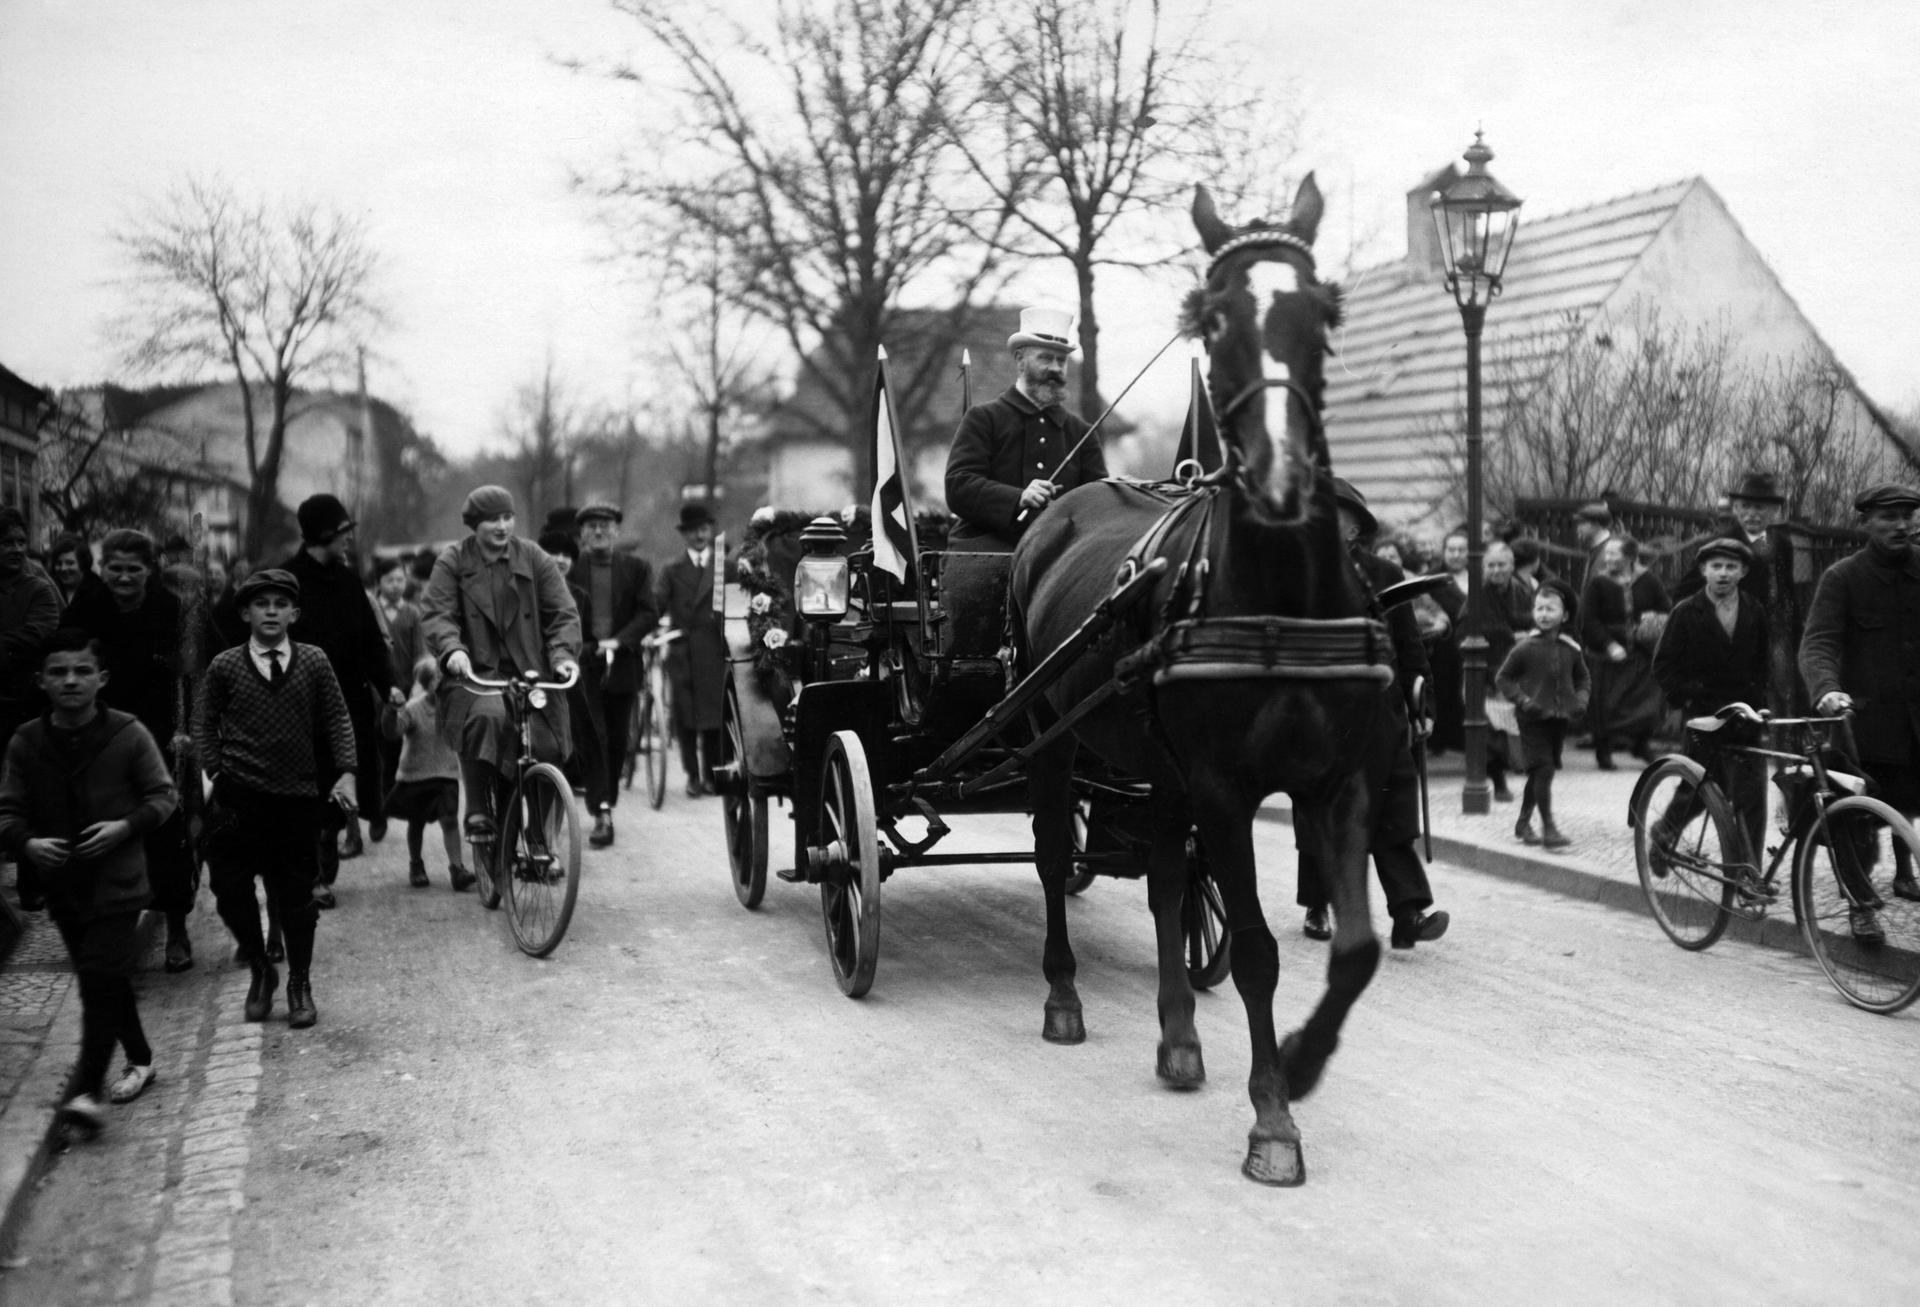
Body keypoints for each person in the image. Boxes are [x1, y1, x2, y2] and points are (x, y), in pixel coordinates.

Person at [0, 630, 178, 1137]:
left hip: (119, 883)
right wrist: (27, 844)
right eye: (58, 672)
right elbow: (7, 810)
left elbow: (163, 797)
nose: (71, 681)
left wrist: (124, 827)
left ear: (102, 678)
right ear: (41, 681)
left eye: (82, 670)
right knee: (103, 980)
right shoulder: (26, 741)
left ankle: (86, 1091)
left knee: (99, 979)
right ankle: (141, 1057)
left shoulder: (128, 734)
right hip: (63, 886)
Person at [195, 569, 357, 1028]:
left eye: (280, 604)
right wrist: (214, 768)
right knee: (228, 889)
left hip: (296, 797)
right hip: (237, 799)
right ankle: (262, 969)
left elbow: (337, 717)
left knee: (297, 896)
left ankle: (299, 982)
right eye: (261, 603)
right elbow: (205, 721)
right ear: (245, 613)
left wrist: (346, 773)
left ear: (294, 614)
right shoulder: (225, 665)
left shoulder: (314, 661)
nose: (271, 611)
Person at [1295, 478, 1450, 950]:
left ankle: (1409, 914)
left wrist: (1422, 703)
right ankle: (1319, 904)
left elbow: (1410, 647)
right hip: (1321, 715)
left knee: (1391, 811)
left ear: (1353, 529)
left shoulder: (1385, 575)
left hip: (1381, 713)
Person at [60, 529, 200, 973]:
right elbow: (65, 666)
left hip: (159, 734)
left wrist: (187, 729)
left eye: (133, 569)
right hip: (98, 733)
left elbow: (190, 673)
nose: (123, 577)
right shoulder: (86, 609)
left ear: (150, 569)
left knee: (166, 830)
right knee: (99, 829)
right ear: (101, 569)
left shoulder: (170, 609)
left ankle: (175, 928)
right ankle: (105, 930)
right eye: (114, 568)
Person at [419, 485, 581, 842]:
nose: (502, 526)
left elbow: (563, 612)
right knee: (488, 718)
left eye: (508, 517)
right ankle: (477, 809)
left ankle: (540, 837)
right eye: (493, 519)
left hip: (530, 674)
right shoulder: (454, 561)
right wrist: (452, 650)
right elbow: (436, 613)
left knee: (549, 744)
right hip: (475, 676)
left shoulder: (534, 557)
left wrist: (563, 655)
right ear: (475, 524)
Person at [1797, 482, 1920, 937]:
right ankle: (1860, 905)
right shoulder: (1843, 578)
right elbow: (1818, 644)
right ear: (1865, 522)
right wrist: (1827, 689)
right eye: (1889, 517)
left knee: (1906, 805)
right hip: (1863, 726)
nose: (1902, 524)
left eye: (1909, 515)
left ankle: (1905, 874)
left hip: (1916, 726)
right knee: (1855, 819)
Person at [281, 494, 400, 898]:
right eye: (344, 532)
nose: (350, 539)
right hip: (298, 708)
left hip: (348, 705)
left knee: (343, 781)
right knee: (306, 785)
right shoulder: (285, 582)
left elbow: (370, 644)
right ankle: (314, 870)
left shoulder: (350, 584)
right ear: (324, 533)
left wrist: (389, 686)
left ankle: (327, 838)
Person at [945, 305, 1108, 551]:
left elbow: (1098, 502)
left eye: (1061, 360)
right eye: (1045, 357)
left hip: (1061, 554)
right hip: (986, 549)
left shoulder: (1081, 433)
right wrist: (1017, 497)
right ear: (1020, 360)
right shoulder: (983, 419)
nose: (1055, 367)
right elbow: (959, 486)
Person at [1650, 538, 1770, 860]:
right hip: (1704, 718)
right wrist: (1688, 695)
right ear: (1703, 570)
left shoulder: (1754, 610)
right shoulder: (1687, 612)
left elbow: (1763, 662)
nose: (1723, 574)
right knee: (1699, 791)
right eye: (1716, 566)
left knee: (1751, 796)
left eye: (1731, 567)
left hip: (1745, 717)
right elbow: (1663, 664)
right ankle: (1664, 832)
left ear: (1743, 571)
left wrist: (1761, 699)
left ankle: (1749, 872)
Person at [572, 502, 658, 845]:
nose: (598, 531)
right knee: (594, 736)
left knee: (619, 739)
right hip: (584, 665)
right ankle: (601, 809)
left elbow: (648, 612)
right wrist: (588, 645)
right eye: (591, 525)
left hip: (622, 664)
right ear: (581, 533)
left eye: (605, 525)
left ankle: (607, 799)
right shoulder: (570, 570)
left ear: (616, 531)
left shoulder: (636, 568)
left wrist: (619, 642)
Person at [1496, 579, 1590, 850]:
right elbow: (1504, 678)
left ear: (1565, 615)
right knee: (1544, 769)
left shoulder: (1571, 649)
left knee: (1540, 772)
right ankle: (1548, 828)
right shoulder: (1525, 647)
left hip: (1558, 720)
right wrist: (1524, 701)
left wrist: (1580, 700)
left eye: (1550, 609)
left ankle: (1523, 823)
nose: (1543, 614)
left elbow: (1583, 678)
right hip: (1532, 719)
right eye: (1538, 608)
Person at [382, 656, 472, 891]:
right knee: (417, 821)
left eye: (445, 680)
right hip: (417, 775)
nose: (441, 685)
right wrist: (391, 711)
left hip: (446, 773)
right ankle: (416, 863)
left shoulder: (454, 707)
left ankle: (457, 868)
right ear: (426, 683)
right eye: (436, 680)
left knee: (450, 819)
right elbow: (393, 732)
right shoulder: (413, 707)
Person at [657, 502, 727, 797]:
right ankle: (692, 776)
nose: (699, 536)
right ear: (684, 535)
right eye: (692, 531)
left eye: (703, 529)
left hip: (714, 650)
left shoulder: (725, 566)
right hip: (683, 651)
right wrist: (649, 632)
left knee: (714, 717)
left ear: (710, 530)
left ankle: (713, 773)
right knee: (686, 719)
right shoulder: (672, 570)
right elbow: (656, 605)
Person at [1582, 535, 1667, 768]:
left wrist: (1653, 620)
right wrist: (1609, 644)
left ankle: (1640, 744)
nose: (1607, 558)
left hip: (1639, 652)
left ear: (1629, 557)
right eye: (1606, 554)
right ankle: (1603, 750)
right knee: (1606, 705)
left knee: (1645, 702)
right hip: (1606, 654)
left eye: (1613, 554)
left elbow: (1664, 608)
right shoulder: (1598, 583)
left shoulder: (1648, 580)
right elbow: (1588, 620)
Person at [1469, 540, 1533, 802]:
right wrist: (1512, 635)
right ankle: (1498, 782)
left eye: (1501, 565)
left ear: (1512, 565)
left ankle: (1518, 768)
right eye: (1491, 565)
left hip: (1515, 667)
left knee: (1513, 724)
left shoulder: (1521, 590)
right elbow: (1474, 629)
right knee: (1491, 729)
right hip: (1484, 669)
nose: (1496, 570)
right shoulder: (1478, 594)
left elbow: (1530, 621)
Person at [47, 532, 106, 611]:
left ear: (83, 563)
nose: (63, 568)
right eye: (59, 563)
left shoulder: (99, 592)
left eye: (70, 563)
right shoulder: (48, 589)